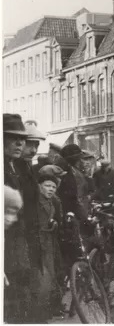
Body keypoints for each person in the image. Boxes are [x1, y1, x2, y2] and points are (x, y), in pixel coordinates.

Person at [3, 114, 34, 323]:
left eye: (22, 139)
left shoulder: (18, 167)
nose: (19, 143)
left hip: (19, 244)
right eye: (12, 138)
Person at [32, 173, 64, 322]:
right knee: (41, 278)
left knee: (50, 276)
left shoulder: (52, 202)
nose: (50, 189)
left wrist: (54, 224)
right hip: (37, 243)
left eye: (53, 187)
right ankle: (39, 315)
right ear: (39, 186)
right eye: (47, 185)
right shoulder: (34, 202)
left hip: (48, 242)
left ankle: (46, 312)